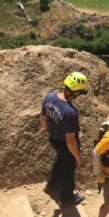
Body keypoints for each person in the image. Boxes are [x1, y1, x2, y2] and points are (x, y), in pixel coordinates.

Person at [41, 72, 89, 207]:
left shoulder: (50, 97)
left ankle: (51, 186)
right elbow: (70, 141)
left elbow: (43, 121)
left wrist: (51, 131)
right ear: (75, 92)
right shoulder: (70, 112)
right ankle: (67, 198)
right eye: (79, 92)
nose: (79, 96)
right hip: (65, 144)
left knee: (60, 160)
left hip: (53, 139)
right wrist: (78, 158)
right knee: (68, 170)